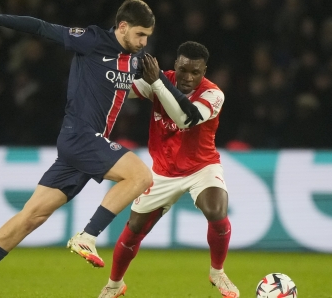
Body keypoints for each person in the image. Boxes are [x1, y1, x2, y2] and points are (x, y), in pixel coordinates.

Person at [0, 1, 202, 298]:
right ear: (122, 27)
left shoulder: (138, 61)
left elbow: (177, 99)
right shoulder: (92, 40)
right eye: (139, 35)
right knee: (140, 176)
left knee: (33, 215)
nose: (143, 42)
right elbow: (42, 28)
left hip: (82, 146)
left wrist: (184, 104)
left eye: (147, 36)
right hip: (81, 136)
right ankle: (87, 236)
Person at [98, 41, 240, 298]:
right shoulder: (160, 79)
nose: (188, 77)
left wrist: (158, 84)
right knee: (134, 230)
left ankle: (217, 272)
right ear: (176, 64)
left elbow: (185, 118)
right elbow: (123, 90)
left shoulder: (213, 94)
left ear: (204, 71)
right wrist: (106, 72)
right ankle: (114, 285)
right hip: (163, 171)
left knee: (217, 213)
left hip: (202, 167)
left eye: (195, 72)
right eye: (184, 70)